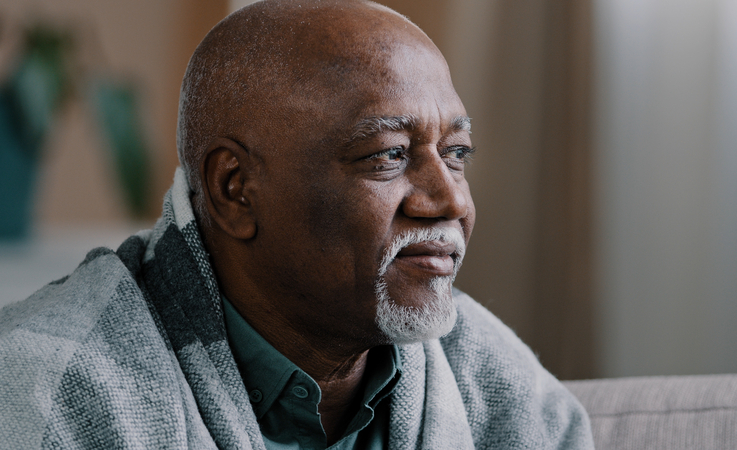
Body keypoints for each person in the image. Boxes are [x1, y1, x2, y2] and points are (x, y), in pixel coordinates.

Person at [0, 1, 594, 448]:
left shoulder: (509, 395)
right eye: (388, 155)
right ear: (235, 190)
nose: (448, 200)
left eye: (456, 153)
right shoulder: (45, 390)